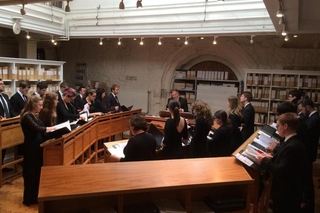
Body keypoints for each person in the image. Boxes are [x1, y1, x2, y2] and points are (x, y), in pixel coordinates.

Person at [256, 113, 306, 213]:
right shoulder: (289, 141)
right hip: (285, 190)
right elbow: (284, 159)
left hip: (287, 192)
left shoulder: (292, 146)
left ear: (285, 126)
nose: (277, 128)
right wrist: (272, 157)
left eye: (278, 126)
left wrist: (263, 160)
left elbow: (281, 169)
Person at [20, 95, 56, 206]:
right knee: (32, 172)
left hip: (37, 146)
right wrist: (51, 128)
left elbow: (41, 127)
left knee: (37, 172)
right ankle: (30, 198)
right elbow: (38, 128)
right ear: (34, 105)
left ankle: (36, 196)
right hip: (31, 147)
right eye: (40, 105)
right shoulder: (27, 116)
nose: (41, 107)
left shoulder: (34, 115)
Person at [300, 98, 320, 213]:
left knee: (307, 180)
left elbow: (305, 130)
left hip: (308, 153)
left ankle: (309, 207)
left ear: (308, 107)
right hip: (308, 152)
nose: (302, 112)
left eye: (302, 109)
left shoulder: (314, 118)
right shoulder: (312, 117)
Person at [0, 79, 14, 169]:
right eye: (1, 84)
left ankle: (2, 165)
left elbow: (10, 109)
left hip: (7, 125)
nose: (3, 85)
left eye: (3, 84)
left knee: (5, 146)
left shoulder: (5, 96)